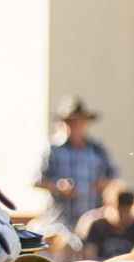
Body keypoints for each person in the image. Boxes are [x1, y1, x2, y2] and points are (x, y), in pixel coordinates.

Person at [38, 95, 120, 230]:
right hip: (61, 221)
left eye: (79, 122)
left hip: (91, 221)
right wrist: (59, 186)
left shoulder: (97, 149)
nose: (75, 126)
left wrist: (102, 184)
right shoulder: (53, 149)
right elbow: (38, 180)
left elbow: (113, 178)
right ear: (63, 124)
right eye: (71, 122)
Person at [76, 185, 134, 262]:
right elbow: (90, 255)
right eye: (120, 211)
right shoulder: (98, 226)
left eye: (127, 211)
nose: (124, 216)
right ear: (108, 206)